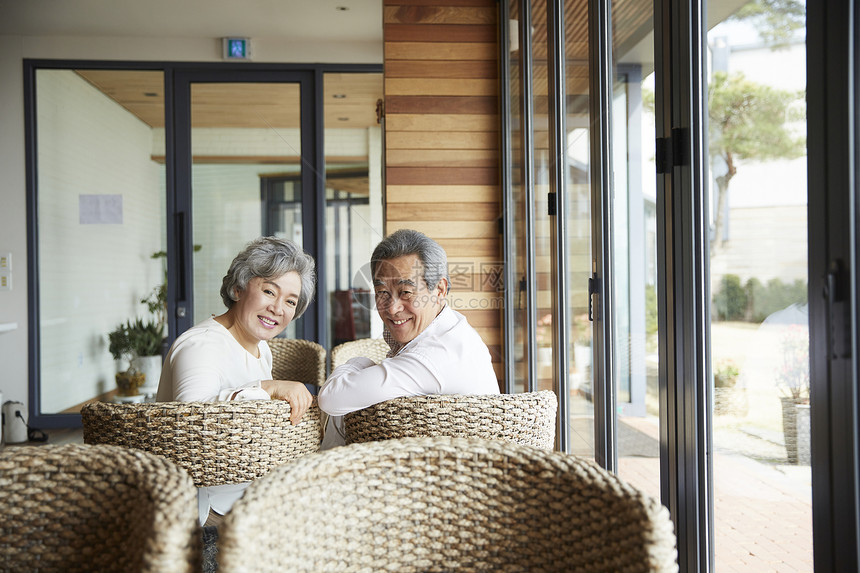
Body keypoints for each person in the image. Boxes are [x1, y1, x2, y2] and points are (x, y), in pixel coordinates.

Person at [156, 236, 316, 525]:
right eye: (269, 291)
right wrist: (267, 388)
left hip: (248, 492)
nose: (278, 308)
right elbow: (191, 422)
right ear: (238, 288)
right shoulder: (201, 345)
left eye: (290, 301)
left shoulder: (260, 347)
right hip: (206, 510)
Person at [318, 229, 499, 449]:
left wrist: (359, 363)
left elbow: (330, 398)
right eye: (383, 292)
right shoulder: (453, 328)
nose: (392, 308)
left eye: (406, 292)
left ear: (439, 289)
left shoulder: (433, 355)